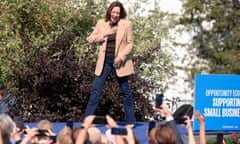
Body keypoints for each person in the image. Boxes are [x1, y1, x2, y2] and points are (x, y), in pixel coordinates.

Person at [84, 1, 136, 126]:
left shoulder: (126, 24)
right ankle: (87, 121)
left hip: (119, 62)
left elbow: (130, 43)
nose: (115, 15)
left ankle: (131, 121)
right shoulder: (101, 23)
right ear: (110, 12)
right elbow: (90, 39)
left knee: (126, 91)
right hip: (104, 62)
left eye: (118, 13)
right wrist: (105, 34)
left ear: (121, 13)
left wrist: (121, 57)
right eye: (113, 12)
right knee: (96, 91)